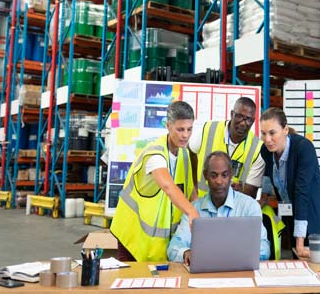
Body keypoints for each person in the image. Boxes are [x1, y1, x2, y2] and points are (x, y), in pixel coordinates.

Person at [110, 101, 199, 262]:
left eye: (189, 129)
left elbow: (191, 193)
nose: (185, 135)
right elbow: (168, 186)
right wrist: (191, 212)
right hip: (133, 237)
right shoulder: (155, 154)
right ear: (168, 126)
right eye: (180, 129)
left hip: (158, 244)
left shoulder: (184, 155)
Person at [167, 151, 270, 264]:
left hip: (239, 274)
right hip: (204, 275)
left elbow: (264, 248)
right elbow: (174, 247)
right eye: (214, 175)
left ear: (231, 175)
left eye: (224, 175)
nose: (219, 181)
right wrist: (186, 252)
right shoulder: (193, 209)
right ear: (205, 175)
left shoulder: (249, 206)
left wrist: (232, 256)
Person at [259, 107, 320, 258]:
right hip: (291, 212)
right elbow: (268, 174)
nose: (267, 139)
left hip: (314, 212)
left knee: (311, 261)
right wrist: (263, 199)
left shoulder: (303, 148)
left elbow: (302, 192)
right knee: (297, 260)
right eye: (263, 133)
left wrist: (299, 244)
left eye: (272, 133)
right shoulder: (266, 149)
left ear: (285, 129)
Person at [188, 97, 265, 198]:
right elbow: (191, 151)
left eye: (248, 119)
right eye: (239, 116)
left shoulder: (258, 148)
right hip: (203, 204)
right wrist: (194, 186)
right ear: (232, 114)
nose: (243, 123)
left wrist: (240, 193)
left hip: (234, 210)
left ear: (253, 121)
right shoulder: (209, 129)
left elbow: (251, 193)